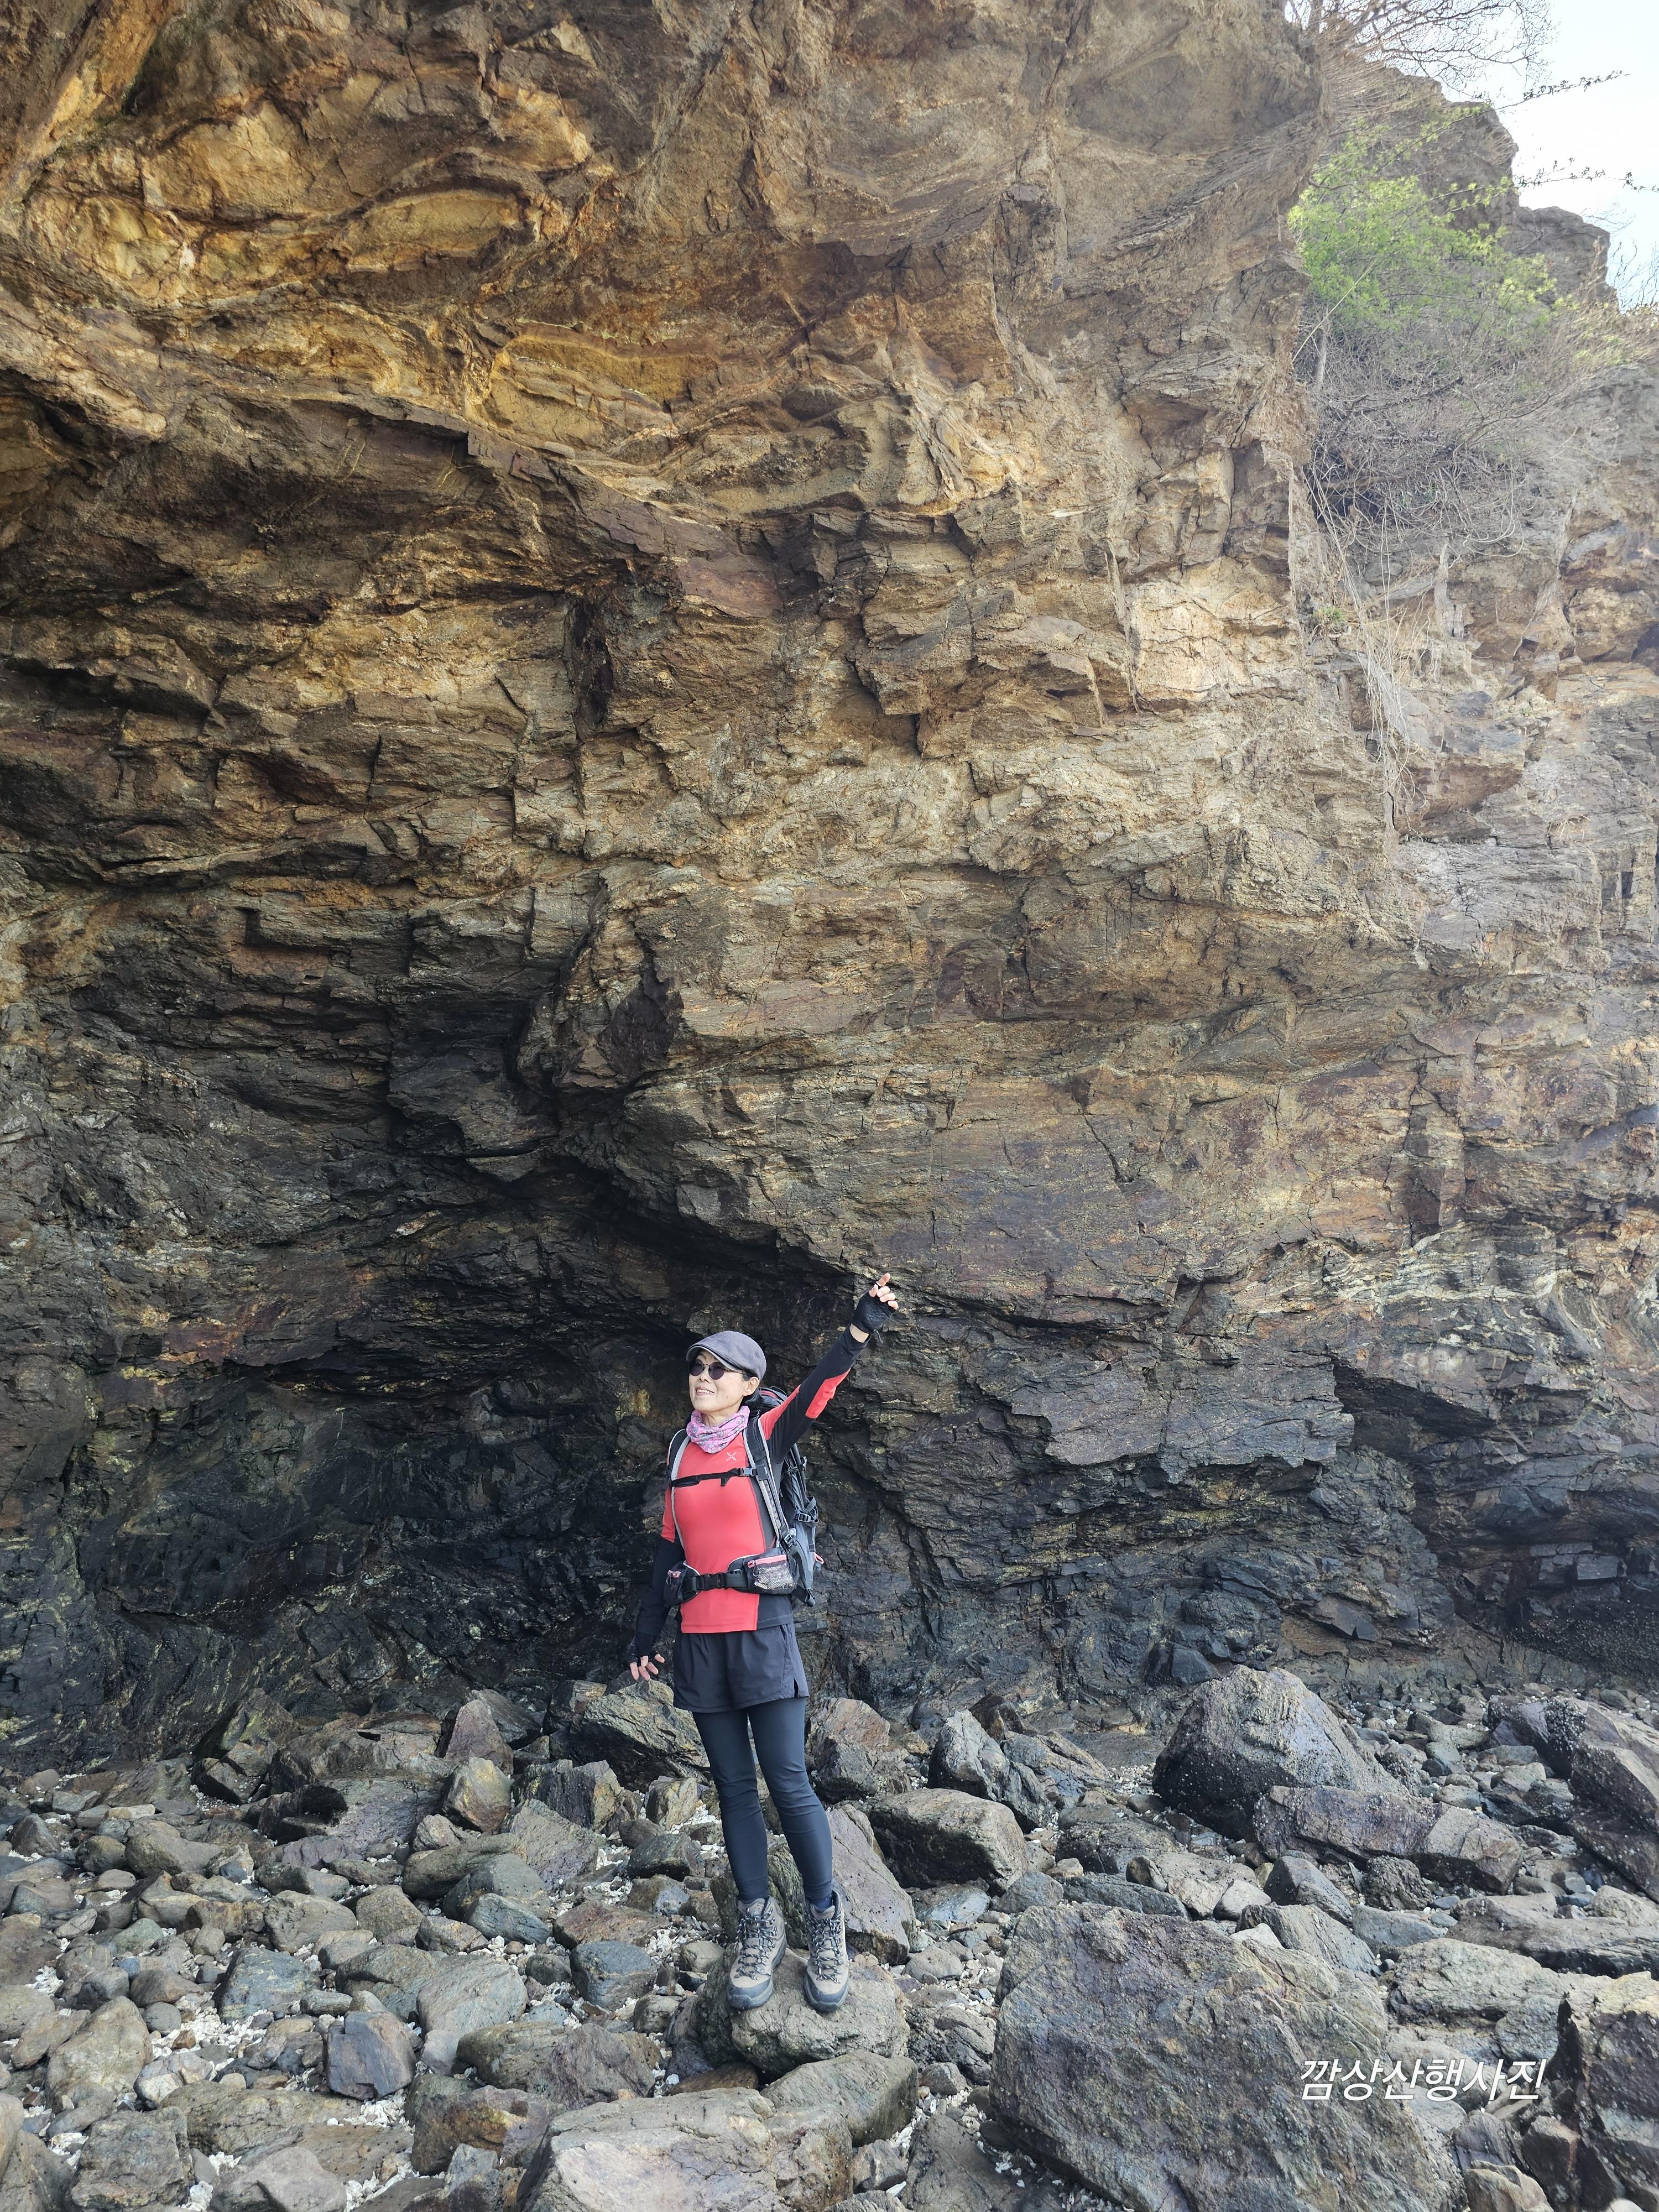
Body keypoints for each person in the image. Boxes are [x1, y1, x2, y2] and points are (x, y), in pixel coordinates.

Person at [628, 1273, 900, 2013]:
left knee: (788, 1782)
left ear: (749, 1385)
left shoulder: (762, 1435)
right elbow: (666, 1554)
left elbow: (816, 1391)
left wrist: (859, 1328)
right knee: (733, 1789)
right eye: (697, 1366)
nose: (703, 1378)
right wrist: (645, 1637)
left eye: (720, 1370)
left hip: (763, 1633)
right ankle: (756, 1924)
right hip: (700, 1640)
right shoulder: (680, 1454)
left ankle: (825, 1922)